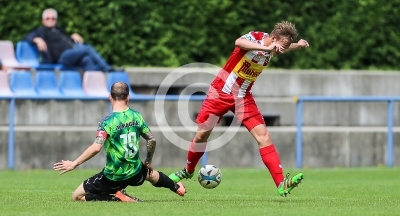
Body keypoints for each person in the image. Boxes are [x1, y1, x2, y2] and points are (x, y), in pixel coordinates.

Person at [169, 21, 310, 197]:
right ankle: (188, 171)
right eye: (281, 46)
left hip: (243, 99)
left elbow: (281, 47)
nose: (279, 50)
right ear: (273, 38)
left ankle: (281, 184)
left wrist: (298, 46)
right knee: (201, 135)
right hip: (220, 94)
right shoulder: (255, 38)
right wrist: (269, 49)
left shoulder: (275, 46)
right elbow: (238, 42)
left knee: (264, 136)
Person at [53, 82, 186, 202]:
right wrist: (148, 161)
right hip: (135, 171)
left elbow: (96, 147)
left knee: (77, 196)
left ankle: (117, 197)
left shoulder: (107, 122)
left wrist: (74, 163)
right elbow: (152, 139)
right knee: (150, 174)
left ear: (110, 97)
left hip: (114, 175)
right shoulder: (136, 116)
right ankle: (175, 187)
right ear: (128, 97)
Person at [25, 8, 117, 72]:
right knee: (87, 49)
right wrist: (37, 39)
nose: (50, 20)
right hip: (62, 57)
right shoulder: (41, 31)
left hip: (71, 53)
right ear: (43, 20)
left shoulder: (59, 30)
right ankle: (106, 68)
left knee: (87, 59)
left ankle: (93, 87)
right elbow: (27, 37)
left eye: (53, 18)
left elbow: (65, 42)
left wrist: (72, 36)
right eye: (47, 18)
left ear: (56, 20)